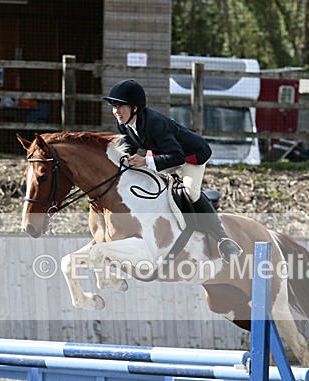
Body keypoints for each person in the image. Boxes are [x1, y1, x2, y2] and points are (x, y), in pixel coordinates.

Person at [103, 79, 243, 263]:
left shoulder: (155, 123)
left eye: (120, 106)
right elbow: (130, 145)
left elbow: (177, 157)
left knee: (190, 191)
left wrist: (145, 161)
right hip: (165, 154)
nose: (116, 111)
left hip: (190, 156)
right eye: (114, 106)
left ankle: (223, 240)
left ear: (135, 108)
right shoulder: (124, 124)